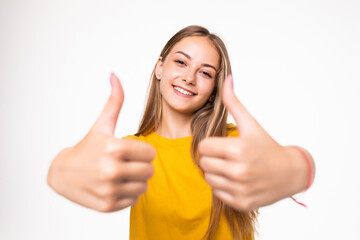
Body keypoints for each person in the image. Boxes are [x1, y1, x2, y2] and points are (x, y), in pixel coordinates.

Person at [47, 25, 315, 240]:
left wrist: (298, 168)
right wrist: (60, 171)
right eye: (181, 62)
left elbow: (298, 162)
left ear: (214, 89)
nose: (189, 77)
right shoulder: (132, 153)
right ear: (159, 67)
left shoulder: (232, 145)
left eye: (206, 73)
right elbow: (67, 169)